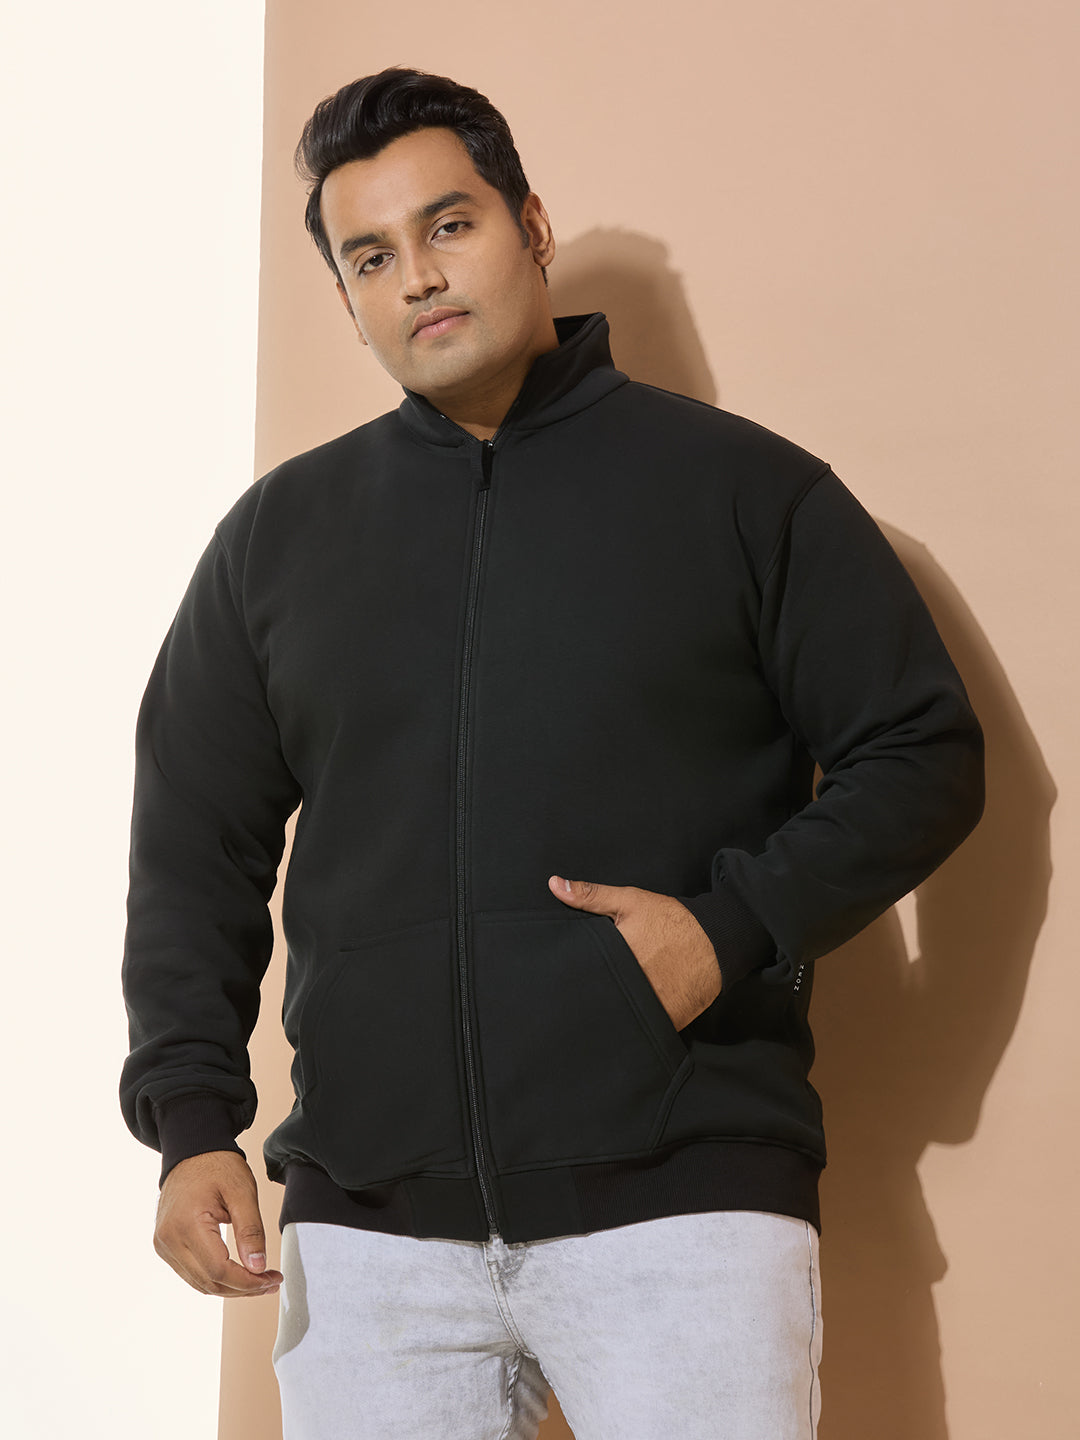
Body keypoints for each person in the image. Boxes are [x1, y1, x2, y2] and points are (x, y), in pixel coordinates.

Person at [120, 67, 984, 1439]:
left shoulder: (742, 491)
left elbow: (922, 750)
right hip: (370, 1235)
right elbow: (192, 846)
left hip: (682, 1208)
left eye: (449, 225)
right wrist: (190, 1123)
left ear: (530, 226)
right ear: (347, 298)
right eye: (370, 257)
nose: (417, 275)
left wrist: (729, 930)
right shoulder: (277, 542)